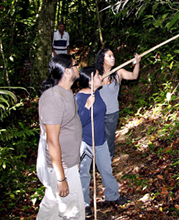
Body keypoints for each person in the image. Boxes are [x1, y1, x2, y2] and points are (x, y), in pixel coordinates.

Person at [74, 66, 129, 216]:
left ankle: (112, 195)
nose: (101, 78)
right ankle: (84, 203)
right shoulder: (79, 98)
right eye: (98, 76)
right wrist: (86, 107)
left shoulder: (97, 92)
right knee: (84, 174)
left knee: (106, 170)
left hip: (101, 141)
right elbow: (78, 123)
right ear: (90, 82)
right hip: (86, 142)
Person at [36, 54, 85, 219]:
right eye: (75, 64)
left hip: (67, 165)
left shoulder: (66, 93)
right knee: (73, 214)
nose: (79, 67)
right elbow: (51, 140)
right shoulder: (53, 98)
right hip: (62, 169)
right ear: (67, 71)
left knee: (50, 213)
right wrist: (61, 177)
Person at [95, 48, 141, 160]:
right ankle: (96, 162)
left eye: (113, 56)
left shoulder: (118, 73)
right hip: (97, 113)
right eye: (109, 56)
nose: (113, 58)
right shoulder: (95, 75)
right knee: (97, 138)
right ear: (102, 59)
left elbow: (133, 76)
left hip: (111, 113)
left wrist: (137, 63)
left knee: (109, 138)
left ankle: (108, 161)